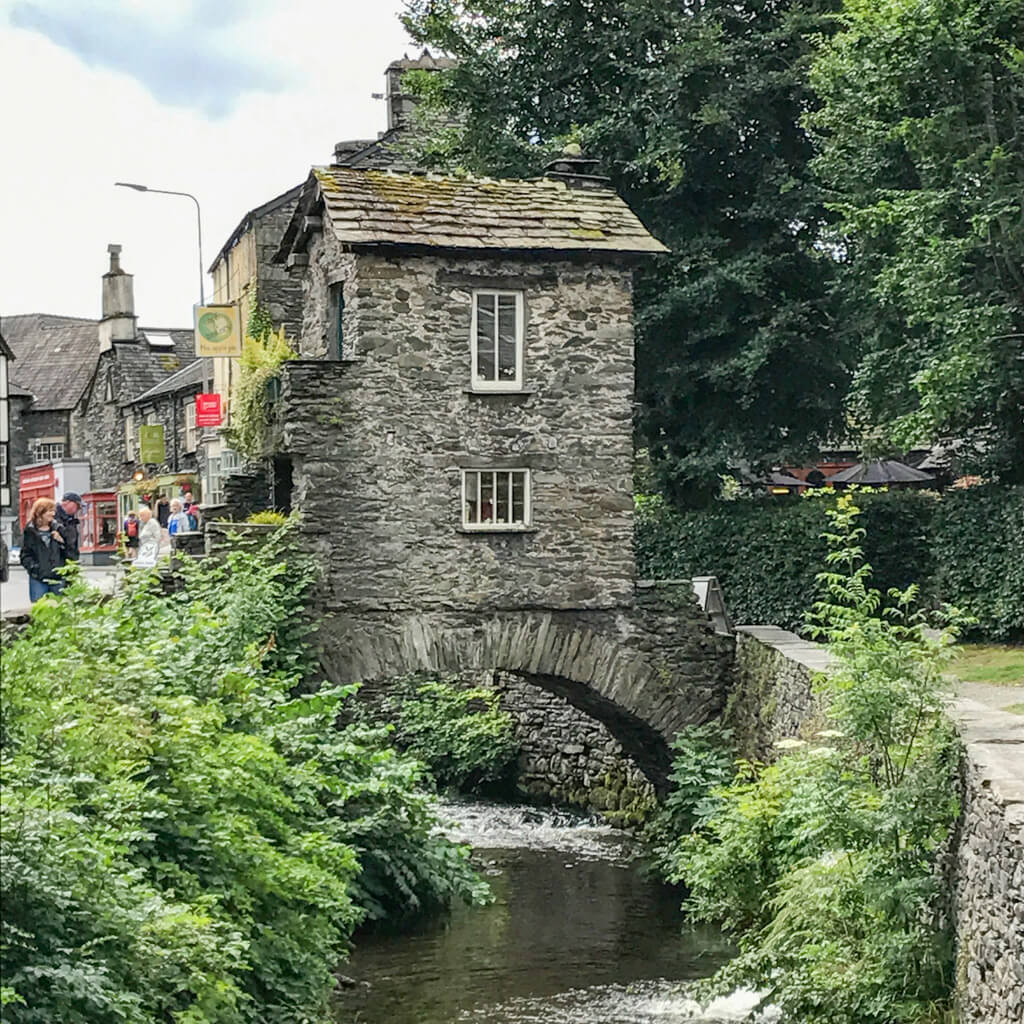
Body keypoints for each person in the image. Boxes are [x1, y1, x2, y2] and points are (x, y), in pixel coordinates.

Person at [19, 497, 67, 602]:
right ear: (40, 512)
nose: (53, 514)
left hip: (57, 577)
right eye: (50, 511)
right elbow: (25, 555)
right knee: (39, 609)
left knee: (59, 612)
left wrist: (61, 541)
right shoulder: (29, 532)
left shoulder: (59, 528)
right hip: (38, 578)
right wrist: (35, 569)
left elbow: (68, 552)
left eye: (54, 511)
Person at [55, 491, 82, 562]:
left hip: (70, 560)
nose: (79, 509)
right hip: (58, 561)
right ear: (67, 503)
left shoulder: (71, 520)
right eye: (77, 505)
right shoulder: (53, 517)